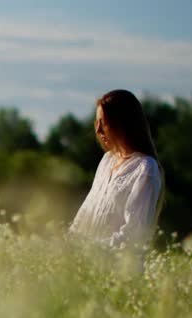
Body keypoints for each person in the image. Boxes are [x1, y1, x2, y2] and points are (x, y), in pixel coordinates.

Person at [69, 89, 164, 260]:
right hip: (88, 270)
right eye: (96, 122)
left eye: (103, 123)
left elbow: (134, 234)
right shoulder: (107, 161)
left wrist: (90, 250)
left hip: (119, 274)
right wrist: (66, 245)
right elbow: (85, 214)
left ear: (123, 124)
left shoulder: (145, 168)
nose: (98, 130)